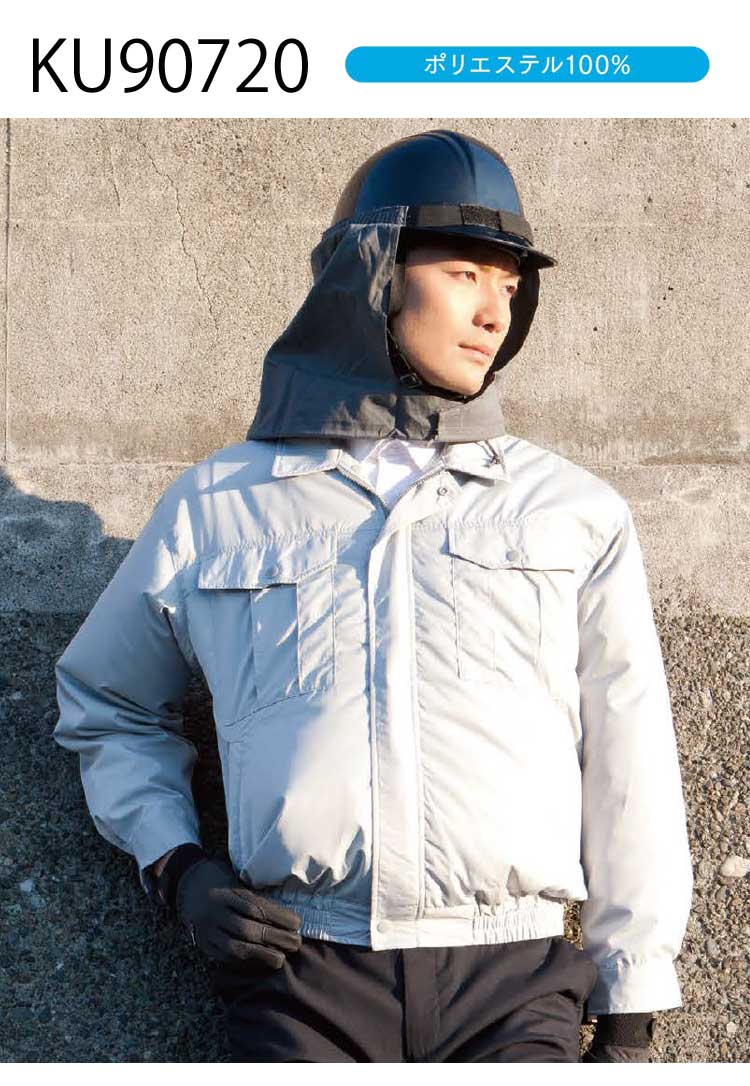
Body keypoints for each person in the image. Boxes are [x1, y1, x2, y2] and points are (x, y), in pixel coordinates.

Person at [53, 130, 693, 1063]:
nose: (495, 312)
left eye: (510, 285)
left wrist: (631, 1000)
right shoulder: (221, 505)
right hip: (302, 980)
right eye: (465, 274)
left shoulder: (570, 512)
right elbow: (105, 700)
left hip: (512, 982)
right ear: (376, 271)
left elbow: (629, 758)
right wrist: (179, 865)